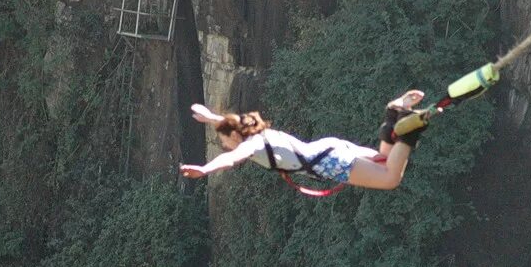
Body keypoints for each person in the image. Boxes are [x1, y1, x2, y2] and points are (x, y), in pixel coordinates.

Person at [179, 90, 433, 190]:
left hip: (329, 162)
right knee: (388, 160)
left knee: (390, 179)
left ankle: (409, 130)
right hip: (329, 147)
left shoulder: (252, 145)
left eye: (226, 141)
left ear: (236, 137)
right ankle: (394, 113)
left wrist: (205, 168)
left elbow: (230, 158)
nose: (225, 145)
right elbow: (232, 126)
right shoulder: (258, 133)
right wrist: (212, 117)